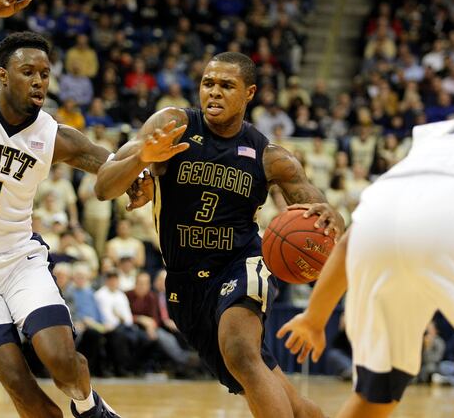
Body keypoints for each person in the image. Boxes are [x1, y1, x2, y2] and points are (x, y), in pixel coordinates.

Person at [0, 0, 184, 418]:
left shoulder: (55, 136)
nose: (39, 80)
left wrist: (138, 178)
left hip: (20, 259)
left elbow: (112, 165)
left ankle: (88, 405)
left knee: (62, 361)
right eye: (28, 72)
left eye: (44, 73)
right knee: (23, 389)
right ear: (2, 74)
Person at [95, 52, 344, 418]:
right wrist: (141, 158)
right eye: (208, 83)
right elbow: (103, 187)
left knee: (241, 352)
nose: (214, 92)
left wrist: (333, 215)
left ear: (249, 93)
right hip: (185, 284)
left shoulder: (269, 156)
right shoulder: (173, 126)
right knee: (275, 392)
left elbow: (320, 209)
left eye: (226, 86)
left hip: (240, 264)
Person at [276, 73, 454, 417]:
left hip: (377, 222)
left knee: (378, 392)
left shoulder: (439, 137)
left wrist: (315, 318)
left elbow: (353, 238)